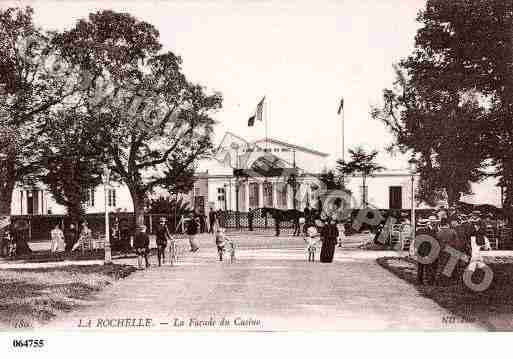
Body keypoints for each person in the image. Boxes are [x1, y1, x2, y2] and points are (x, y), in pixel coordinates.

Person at [435, 217, 458, 285]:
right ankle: (447, 281)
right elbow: (457, 242)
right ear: (448, 224)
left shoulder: (438, 233)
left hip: (441, 250)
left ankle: (438, 281)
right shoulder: (453, 231)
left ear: (441, 224)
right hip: (451, 250)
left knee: (441, 265)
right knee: (449, 265)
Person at [414, 218, 436, 284]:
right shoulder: (430, 231)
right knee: (428, 267)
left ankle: (419, 280)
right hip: (428, 251)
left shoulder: (418, 232)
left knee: (420, 266)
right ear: (427, 224)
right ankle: (429, 281)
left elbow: (416, 242)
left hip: (420, 251)